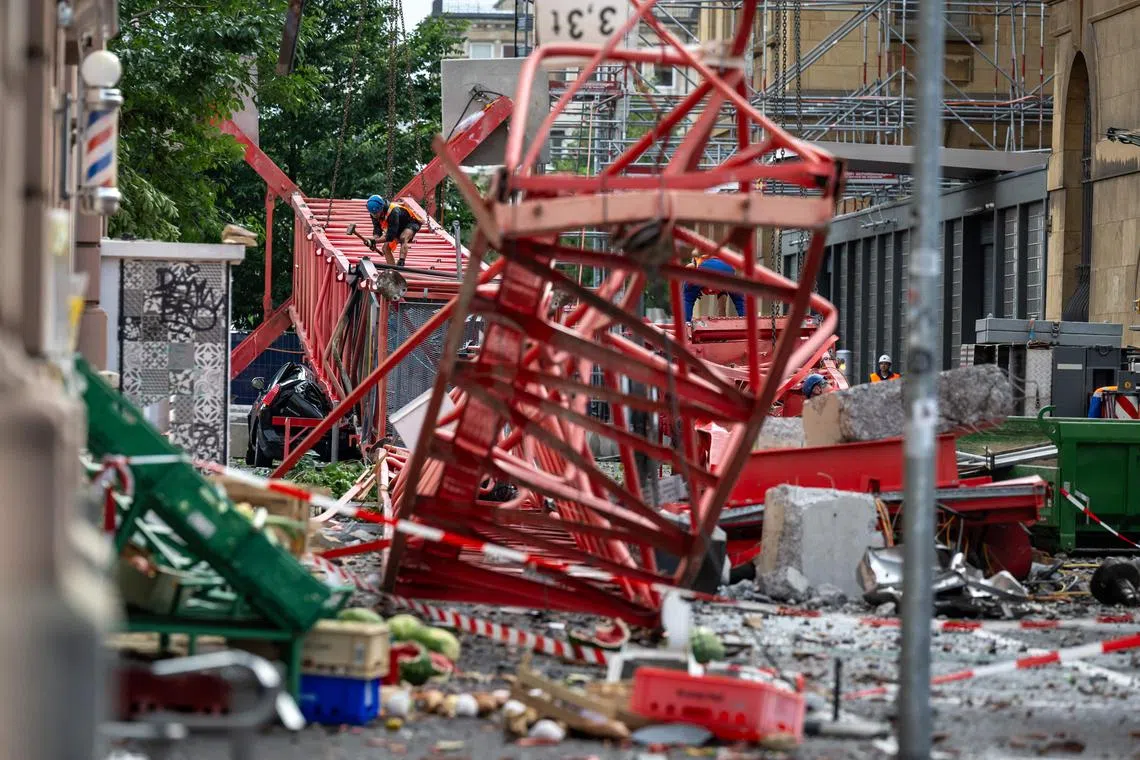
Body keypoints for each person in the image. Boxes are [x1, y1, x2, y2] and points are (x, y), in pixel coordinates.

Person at [683, 254, 746, 322]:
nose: (710, 291)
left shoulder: (699, 261)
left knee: (687, 298)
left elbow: (689, 266)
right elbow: (739, 301)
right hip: (728, 270)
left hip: (704, 269)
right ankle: (747, 322)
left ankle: (685, 323)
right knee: (740, 301)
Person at [367, 194, 423, 268]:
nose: (375, 216)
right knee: (385, 248)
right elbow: (377, 231)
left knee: (403, 237)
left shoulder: (393, 211)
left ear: (382, 208)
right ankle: (393, 269)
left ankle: (401, 262)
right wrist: (372, 240)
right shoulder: (374, 213)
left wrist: (375, 241)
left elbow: (390, 236)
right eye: (373, 214)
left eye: (377, 213)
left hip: (411, 222)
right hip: (396, 226)